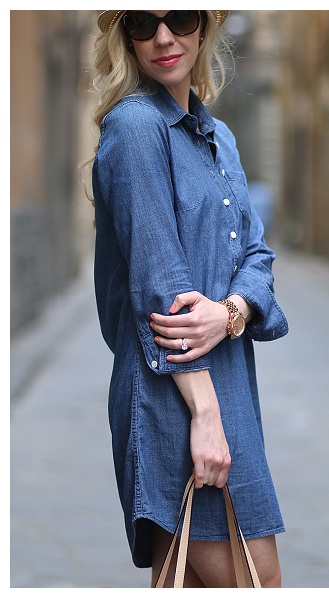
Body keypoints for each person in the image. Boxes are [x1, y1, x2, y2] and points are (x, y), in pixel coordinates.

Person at [88, 10, 288, 587]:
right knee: (257, 581)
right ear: (124, 37)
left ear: (206, 24)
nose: (164, 38)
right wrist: (203, 415)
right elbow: (160, 282)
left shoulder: (218, 137)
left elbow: (258, 256)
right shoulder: (134, 128)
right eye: (143, 25)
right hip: (173, 400)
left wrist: (231, 314)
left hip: (227, 394)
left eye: (179, 18)